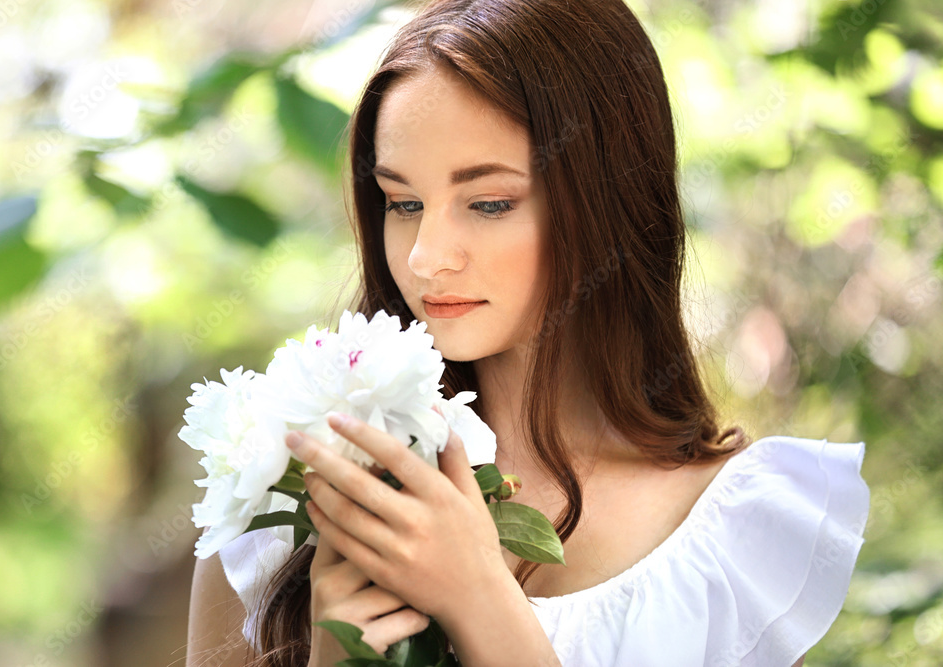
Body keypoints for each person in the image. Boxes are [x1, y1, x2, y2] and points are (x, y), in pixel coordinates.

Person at [186, 0, 871, 665]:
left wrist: (480, 598)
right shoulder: (284, 489)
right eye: (403, 202)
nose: (425, 256)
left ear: (609, 200)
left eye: (488, 202)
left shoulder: (729, 540)